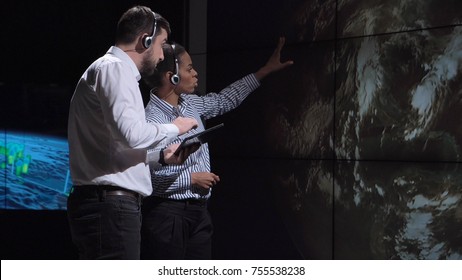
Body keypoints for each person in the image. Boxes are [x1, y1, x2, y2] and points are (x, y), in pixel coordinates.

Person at [141, 37, 293, 259]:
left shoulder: (190, 103)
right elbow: (148, 179)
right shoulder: (150, 120)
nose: (195, 74)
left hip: (199, 212)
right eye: (189, 69)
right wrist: (191, 179)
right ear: (171, 76)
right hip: (168, 216)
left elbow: (224, 100)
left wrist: (263, 72)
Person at [66, 5, 199, 260]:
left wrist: (160, 158)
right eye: (161, 45)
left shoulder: (109, 70)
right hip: (110, 208)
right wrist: (176, 127)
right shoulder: (114, 69)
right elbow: (132, 135)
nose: (162, 56)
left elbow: (114, 148)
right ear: (144, 40)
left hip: (106, 206)